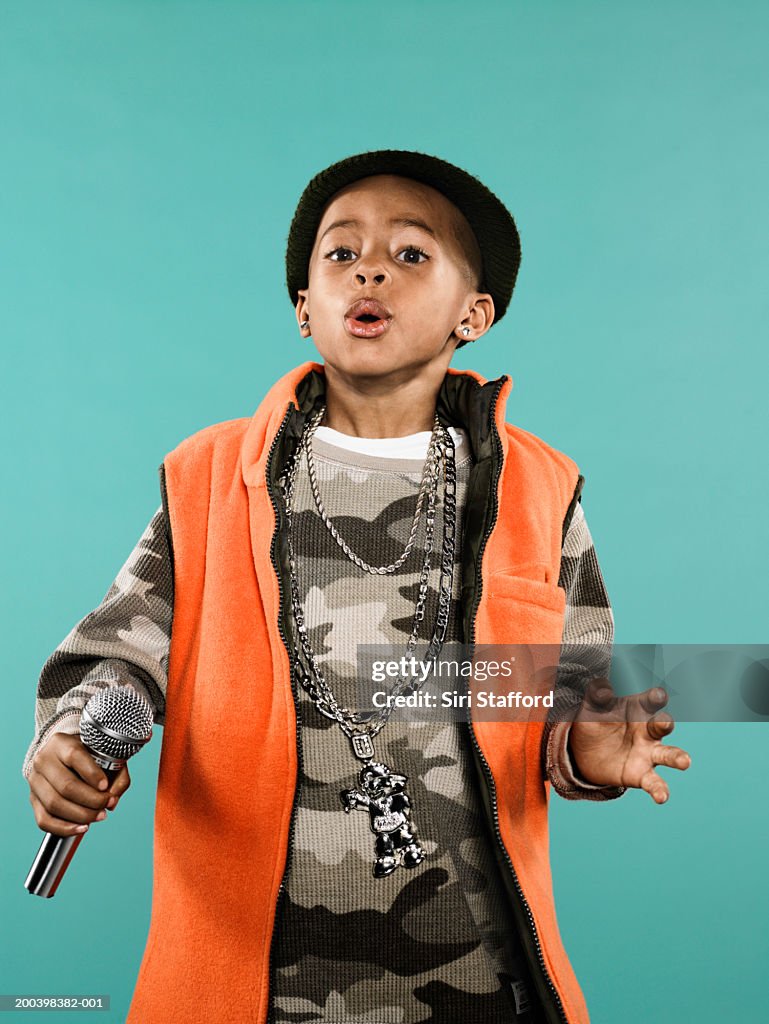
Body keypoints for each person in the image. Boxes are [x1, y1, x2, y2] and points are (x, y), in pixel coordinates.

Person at [23, 151, 692, 1024]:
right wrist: (77, 735)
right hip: (251, 980)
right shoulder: (209, 476)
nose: (369, 267)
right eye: (340, 255)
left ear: (474, 314)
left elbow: (566, 686)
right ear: (305, 309)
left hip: (482, 975)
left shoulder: (539, 487)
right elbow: (118, 653)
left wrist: (583, 750)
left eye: (411, 255)